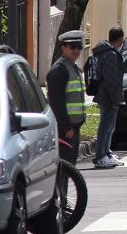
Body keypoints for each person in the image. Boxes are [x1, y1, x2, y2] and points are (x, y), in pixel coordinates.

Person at [46, 30, 86, 165]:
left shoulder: (72, 67)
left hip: (73, 128)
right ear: (63, 48)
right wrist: (66, 127)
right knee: (63, 170)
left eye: (79, 47)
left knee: (69, 169)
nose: (76, 50)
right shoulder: (59, 70)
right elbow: (56, 102)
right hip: (65, 130)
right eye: (72, 47)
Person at [91, 26, 126, 168]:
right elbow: (112, 80)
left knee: (109, 126)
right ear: (119, 39)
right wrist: (115, 98)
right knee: (106, 126)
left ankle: (106, 152)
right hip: (108, 96)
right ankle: (101, 155)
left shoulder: (103, 52)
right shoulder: (110, 55)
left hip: (103, 94)